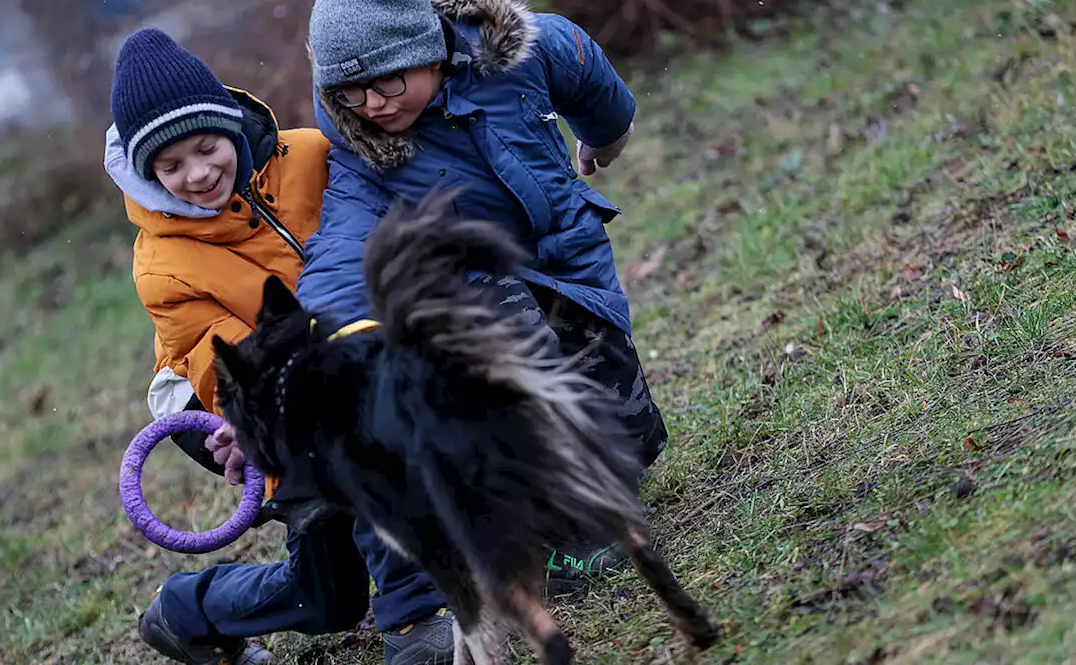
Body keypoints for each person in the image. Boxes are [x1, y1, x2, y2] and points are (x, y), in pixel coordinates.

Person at [104, 28, 455, 665]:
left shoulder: (314, 155)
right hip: (230, 402)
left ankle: (431, 593)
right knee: (329, 596)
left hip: (348, 350)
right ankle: (189, 613)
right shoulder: (163, 265)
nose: (198, 174)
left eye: (207, 148)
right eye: (170, 166)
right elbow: (227, 360)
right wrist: (248, 420)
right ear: (147, 173)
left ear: (230, 127)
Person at [298, 0, 668, 598]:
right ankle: (554, 539)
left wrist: (606, 136)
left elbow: (586, 73)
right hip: (469, 284)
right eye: (350, 92)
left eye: (387, 81)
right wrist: (325, 334)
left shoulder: (521, 51)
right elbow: (340, 249)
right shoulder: (362, 156)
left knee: (628, 433)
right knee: (523, 364)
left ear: (426, 50)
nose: (372, 105)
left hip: (565, 254)